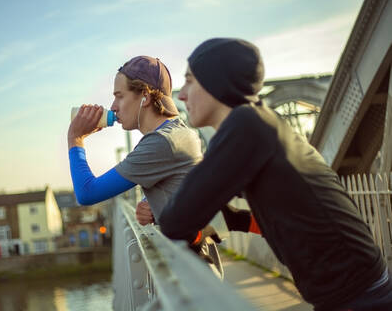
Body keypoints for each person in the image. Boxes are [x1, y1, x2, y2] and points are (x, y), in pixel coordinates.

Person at [158, 38, 392, 311]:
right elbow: (283, 205)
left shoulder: (245, 125)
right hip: (357, 287)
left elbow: (175, 221)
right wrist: (231, 219)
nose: (182, 95)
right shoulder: (260, 122)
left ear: (215, 82)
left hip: (359, 297)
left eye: (189, 81)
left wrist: (190, 219)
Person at [67, 55, 223, 276]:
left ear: (145, 96)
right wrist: (154, 202)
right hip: (198, 271)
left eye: (119, 97)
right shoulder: (179, 131)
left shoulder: (160, 142)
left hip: (191, 278)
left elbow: (87, 193)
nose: (113, 106)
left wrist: (75, 138)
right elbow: (182, 180)